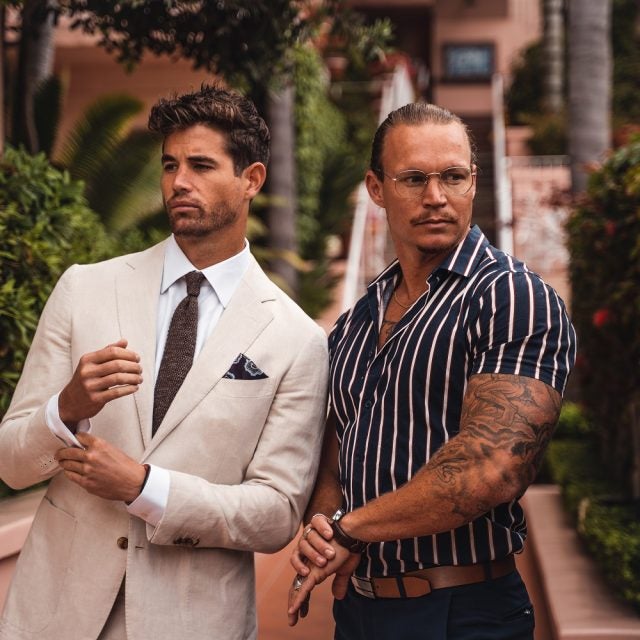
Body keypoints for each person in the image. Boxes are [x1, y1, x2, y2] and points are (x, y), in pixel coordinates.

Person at [0, 84, 329, 640]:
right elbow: (11, 463)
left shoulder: (297, 339)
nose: (179, 182)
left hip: (193, 622)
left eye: (201, 165)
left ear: (251, 179)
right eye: (170, 165)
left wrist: (145, 487)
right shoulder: (85, 289)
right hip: (56, 615)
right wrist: (65, 408)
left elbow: (276, 514)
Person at [287, 102, 576, 639]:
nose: (436, 196)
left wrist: (351, 530)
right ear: (376, 189)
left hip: (462, 612)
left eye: (453, 177)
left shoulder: (511, 297)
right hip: (360, 612)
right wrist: (324, 529)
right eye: (414, 178)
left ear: (474, 182)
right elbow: (338, 447)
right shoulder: (357, 319)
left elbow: (492, 468)